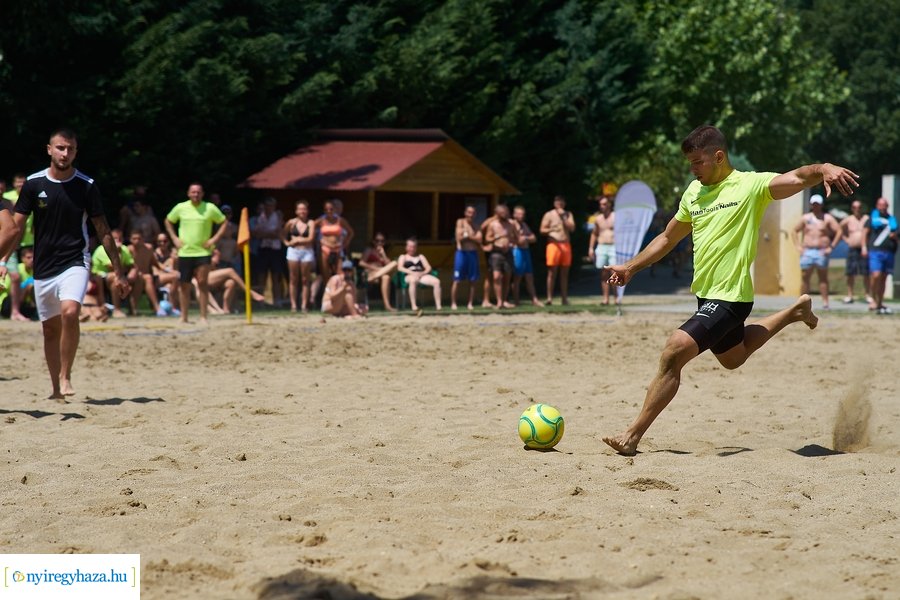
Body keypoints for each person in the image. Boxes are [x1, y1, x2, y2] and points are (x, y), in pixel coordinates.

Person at [601, 125, 858, 455]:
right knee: (733, 358)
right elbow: (667, 238)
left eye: (697, 162)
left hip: (731, 297)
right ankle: (795, 312)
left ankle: (632, 435)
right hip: (706, 296)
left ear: (718, 157)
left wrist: (823, 168)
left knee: (674, 350)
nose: (693, 169)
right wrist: (630, 267)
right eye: (690, 163)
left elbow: (796, 178)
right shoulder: (694, 193)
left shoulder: (749, 186)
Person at [6, 128, 130, 399]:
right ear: (49, 149)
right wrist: (3, 259)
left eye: (70, 149)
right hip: (43, 266)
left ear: (76, 152)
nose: (65, 153)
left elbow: (103, 230)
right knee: (50, 330)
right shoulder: (33, 184)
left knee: (71, 312)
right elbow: (15, 227)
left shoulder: (86, 185)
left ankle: (66, 375)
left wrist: (119, 272)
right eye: (60, 148)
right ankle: (55, 389)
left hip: (76, 260)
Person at [165, 182, 228, 324]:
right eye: (193, 192)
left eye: (198, 192)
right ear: (188, 193)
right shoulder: (181, 207)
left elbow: (224, 222)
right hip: (185, 252)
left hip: (203, 252)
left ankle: (203, 316)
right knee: (184, 285)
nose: (196, 194)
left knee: (202, 282)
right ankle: (184, 317)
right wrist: (174, 238)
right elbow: (168, 221)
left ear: (203, 194)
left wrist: (214, 239)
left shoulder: (210, 208)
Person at [791, 194, 840, 309]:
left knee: (823, 277)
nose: (816, 206)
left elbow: (839, 231)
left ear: (821, 205)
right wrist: (798, 246)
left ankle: (825, 302)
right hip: (807, 250)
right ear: (811, 205)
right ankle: (802, 303)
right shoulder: (806, 218)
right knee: (805, 277)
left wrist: (831, 247)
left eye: (818, 204)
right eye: (814, 204)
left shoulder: (827, 218)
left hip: (821, 251)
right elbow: (794, 231)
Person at [197, 248, 266, 314]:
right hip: (202, 277)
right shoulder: (203, 251)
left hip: (213, 277)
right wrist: (212, 258)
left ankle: (226, 308)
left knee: (231, 283)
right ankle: (249, 292)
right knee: (230, 271)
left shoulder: (215, 251)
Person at [3, 173, 32, 321]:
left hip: (25, 241)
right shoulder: (8, 200)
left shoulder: (29, 195)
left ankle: (16, 311)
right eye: (18, 182)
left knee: (19, 277)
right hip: (8, 242)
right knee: (14, 277)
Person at [863, 197, 897, 315]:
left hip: (889, 251)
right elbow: (865, 233)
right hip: (875, 251)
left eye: (885, 205)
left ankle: (880, 302)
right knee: (876, 275)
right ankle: (873, 298)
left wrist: (894, 236)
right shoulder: (872, 219)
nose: (883, 207)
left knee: (883, 278)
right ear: (877, 206)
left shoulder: (892, 220)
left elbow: (897, 235)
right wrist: (864, 247)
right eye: (881, 205)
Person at [90, 228, 135, 318]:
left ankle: (133, 309)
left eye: (120, 238)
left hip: (115, 275)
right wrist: (118, 252)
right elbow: (113, 268)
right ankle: (116, 310)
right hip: (99, 278)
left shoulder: (124, 249)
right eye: (115, 239)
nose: (118, 241)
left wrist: (131, 276)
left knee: (141, 277)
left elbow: (132, 266)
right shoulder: (102, 249)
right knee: (116, 277)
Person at [540, 195, 576, 305]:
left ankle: (564, 298)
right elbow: (542, 229)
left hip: (565, 244)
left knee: (564, 273)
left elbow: (572, 228)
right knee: (552, 272)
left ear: (564, 203)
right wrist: (552, 229)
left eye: (561, 202)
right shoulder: (549, 214)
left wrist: (564, 217)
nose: (559, 204)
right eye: (557, 202)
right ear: (554, 203)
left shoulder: (568, 214)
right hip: (553, 245)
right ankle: (549, 298)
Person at [283, 200, 317, 312]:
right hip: (293, 251)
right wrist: (287, 243)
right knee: (293, 278)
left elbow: (311, 238)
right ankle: (293, 305)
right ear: (296, 211)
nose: (302, 211)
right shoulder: (291, 223)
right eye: (300, 209)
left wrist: (298, 240)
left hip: (306, 252)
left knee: (305, 279)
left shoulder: (311, 223)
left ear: (307, 211)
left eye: (304, 209)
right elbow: (282, 234)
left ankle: (304, 305)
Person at [251, 197, 285, 305]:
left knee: (276, 275)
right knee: (261, 275)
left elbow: (278, 233)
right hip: (263, 248)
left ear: (274, 207)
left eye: (271, 206)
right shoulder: (261, 217)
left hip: (275, 249)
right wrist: (270, 234)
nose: (268, 208)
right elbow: (256, 234)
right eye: (267, 206)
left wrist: (265, 234)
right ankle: (261, 300)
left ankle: (277, 301)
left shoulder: (278, 216)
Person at [127, 229, 169, 316]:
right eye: (134, 239)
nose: (137, 241)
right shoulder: (128, 250)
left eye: (139, 238)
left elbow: (155, 263)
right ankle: (154, 308)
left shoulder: (148, 248)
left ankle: (173, 308)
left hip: (146, 277)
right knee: (145, 277)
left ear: (143, 239)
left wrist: (167, 270)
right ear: (130, 240)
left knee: (175, 276)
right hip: (131, 278)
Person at [838, 200, 872, 305]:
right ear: (852, 208)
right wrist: (845, 239)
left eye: (859, 207)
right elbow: (839, 228)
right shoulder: (848, 219)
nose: (857, 209)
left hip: (864, 249)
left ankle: (868, 295)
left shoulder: (866, 218)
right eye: (855, 207)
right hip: (852, 248)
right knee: (850, 273)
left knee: (866, 272)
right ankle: (850, 295)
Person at [484, 204, 518, 309]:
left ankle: (504, 300)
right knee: (496, 276)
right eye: (502, 213)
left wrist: (511, 242)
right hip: (496, 252)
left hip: (508, 252)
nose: (505, 215)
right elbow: (487, 239)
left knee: (507, 277)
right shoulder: (493, 224)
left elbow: (516, 237)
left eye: (506, 213)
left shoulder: (511, 224)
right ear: (498, 214)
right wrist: (497, 237)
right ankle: (499, 301)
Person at [316, 199, 355, 287]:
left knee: (339, 274)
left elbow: (351, 232)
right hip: (325, 248)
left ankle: (338, 292)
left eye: (331, 209)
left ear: (335, 209)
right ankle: (328, 293)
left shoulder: (340, 220)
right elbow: (311, 228)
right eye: (326, 209)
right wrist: (319, 240)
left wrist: (345, 243)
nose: (329, 211)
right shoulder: (321, 220)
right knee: (326, 274)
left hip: (337, 248)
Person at [450, 205, 482, 310]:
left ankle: (470, 303)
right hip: (461, 253)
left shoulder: (476, 226)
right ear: (465, 213)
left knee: (473, 280)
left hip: (472, 253)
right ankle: (453, 303)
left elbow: (479, 240)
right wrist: (471, 236)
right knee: (457, 280)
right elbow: (459, 237)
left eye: (473, 213)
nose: (471, 215)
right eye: (469, 212)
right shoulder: (460, 222)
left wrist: (468, 236)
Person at [511, 205, 543, 307]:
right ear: (514, 214)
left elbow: (533, 238)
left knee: (529, 276)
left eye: (522, 214)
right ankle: (516, 300)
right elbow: (518, 240)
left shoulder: (524, 225)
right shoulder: (512, 224)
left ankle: (534, 299)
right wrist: (525, 238)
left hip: (526, 250)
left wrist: (525, 238)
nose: (521, 216)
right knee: (517, 276)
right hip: (517, 251)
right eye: (519, 214)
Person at [396, 237, 441, 311]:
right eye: (410, 246)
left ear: (416, 248)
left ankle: (439, 307)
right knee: (413, 280)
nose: (411, 249)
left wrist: (422, 273)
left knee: (437, 281)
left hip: (421, 275)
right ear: (406, 247)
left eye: (413, 247)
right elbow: (400, 268)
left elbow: (428, 267)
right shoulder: (403, 257)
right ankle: (414, 306)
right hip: (408, 276)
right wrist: (412, 273)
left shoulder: (420, 256)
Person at [588, 195, 616, 305]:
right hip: (602, 246)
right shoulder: (598, 219)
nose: (602, 206)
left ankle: (616, 298)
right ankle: (605, 299)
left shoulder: (616, 217)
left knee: (614, 273)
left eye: (604, 204)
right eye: (600, 204)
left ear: (609, 205)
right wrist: (591, 248)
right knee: (604, 274)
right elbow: (594, 234)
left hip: (614, 246)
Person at [359, 232, 397, 312]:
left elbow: (389, 266)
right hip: (370, 273)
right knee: (387, 274)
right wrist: (375, 268)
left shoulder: (384, 252)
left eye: (382, 241)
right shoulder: (369, 250)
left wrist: (383, 254)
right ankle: (387, 305)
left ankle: (387, 306)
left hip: (378, 276)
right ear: (373, 241)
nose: (379, 243)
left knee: (391, 269)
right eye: (377, 241)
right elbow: (361, 263)